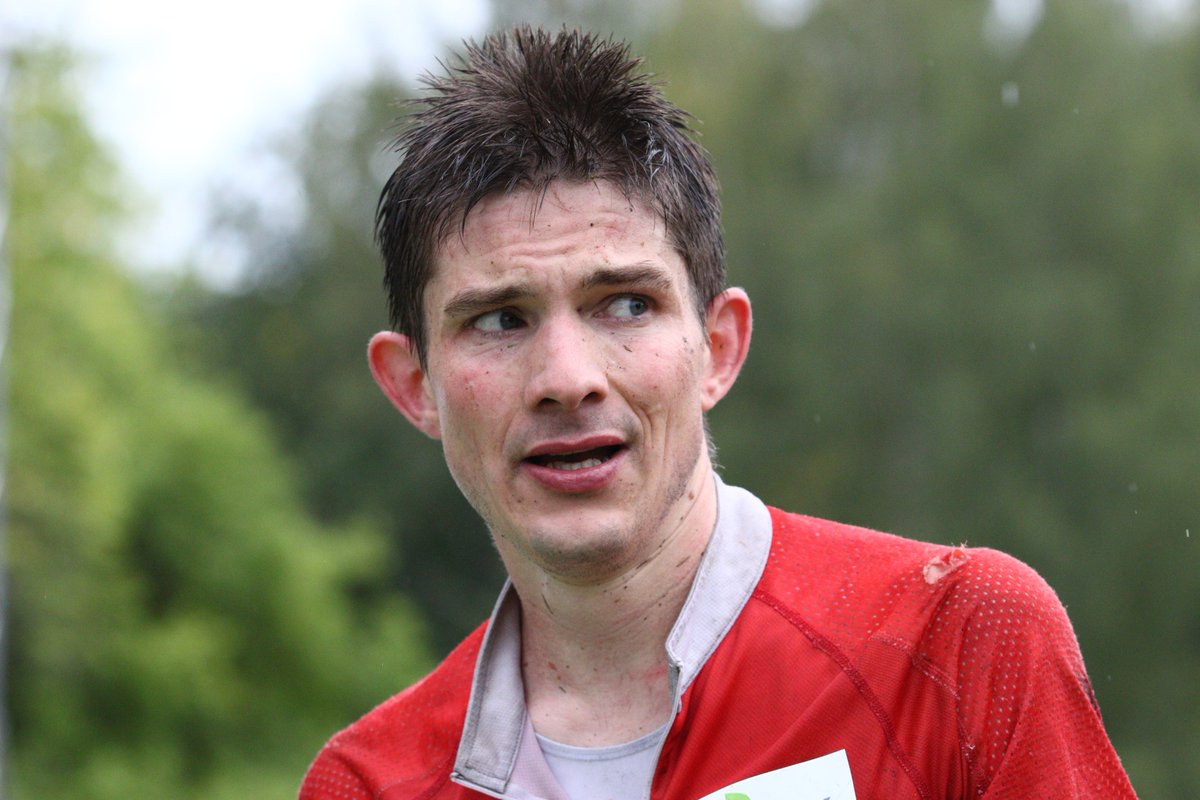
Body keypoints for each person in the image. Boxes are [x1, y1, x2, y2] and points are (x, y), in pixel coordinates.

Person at [299, 26, 1137, 800]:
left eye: (624, 304)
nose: (567, 378)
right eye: (500, 319)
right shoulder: (368, 783)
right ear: (413, 386)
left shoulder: (956, 645)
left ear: (720, 346)